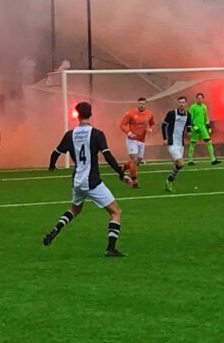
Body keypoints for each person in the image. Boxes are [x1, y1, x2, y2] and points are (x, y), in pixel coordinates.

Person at [43, 101, 129, 257]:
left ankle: (57, 227)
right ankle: (111, 248)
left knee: (75, 209)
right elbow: (107, 155)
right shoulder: (96, 134)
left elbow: (55, 153)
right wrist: (121, 173)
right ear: (91, 114)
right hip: (92, 181)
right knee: (116, 212)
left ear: (77, 115)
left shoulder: (70, 135)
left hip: (77, 180)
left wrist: (51, 166)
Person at [118, 97, 154, 187]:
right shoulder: (130, 113)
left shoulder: (149, 114)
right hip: (132, 140)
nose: (141, 105)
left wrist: (150, 129)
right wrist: (129, 133)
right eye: (140, 104)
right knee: (134, 160)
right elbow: (122, 125)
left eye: (143, 104)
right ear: (137, 104)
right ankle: (134, 181)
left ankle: (123, 168)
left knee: (138, 161)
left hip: (142, 141)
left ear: (146, 104)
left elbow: (152, 123)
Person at [161, 96, 192, 193]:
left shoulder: (188, 114)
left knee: (177, 165)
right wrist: (165, 138)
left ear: (186, 103)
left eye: (183, 102)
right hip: (172, 142)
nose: (181, 104)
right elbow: (164, 125)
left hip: (180, 144)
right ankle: (169, 180)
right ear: (178, 103)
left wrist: (189, 133)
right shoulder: (171, 113)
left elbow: (188, 127)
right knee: (181, 163)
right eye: (180, 102)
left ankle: (168, 184)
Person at [187, 92, 221, 165]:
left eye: (201, 98)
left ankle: (213, 159)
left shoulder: (204, 107)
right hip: (195, 128)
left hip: (203, 128)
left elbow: (206, 117)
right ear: (196, 99)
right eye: (198, 98)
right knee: (193, 143)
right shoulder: (192, 107)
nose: (199, 99)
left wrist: (208, 126)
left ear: (203, 99)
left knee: (209, 142)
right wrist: (193, 126)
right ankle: (190, 160)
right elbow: (190, 118)